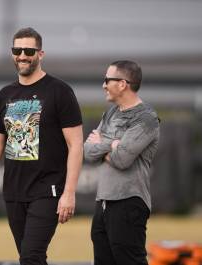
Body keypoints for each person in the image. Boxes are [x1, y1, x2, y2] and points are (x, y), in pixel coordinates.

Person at [0, 27, 83, 265]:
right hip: (14, 190)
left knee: (31, 256)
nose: (22, 55)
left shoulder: (60, 92)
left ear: (40, 54)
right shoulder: (5, 95)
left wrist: (69, 193)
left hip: (47, 190)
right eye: (17, 50)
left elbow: (75, 145)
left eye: (28, 50)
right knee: (28, 258)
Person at [84, 60, 160, 265]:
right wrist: (114, 144)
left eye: (107, 80)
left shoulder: (146, 118)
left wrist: (103, 144)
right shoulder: (110, 113)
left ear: (123, 84)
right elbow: (88, 152)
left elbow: (122, 159)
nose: (103, 85)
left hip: (129, 202)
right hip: (103, 202)